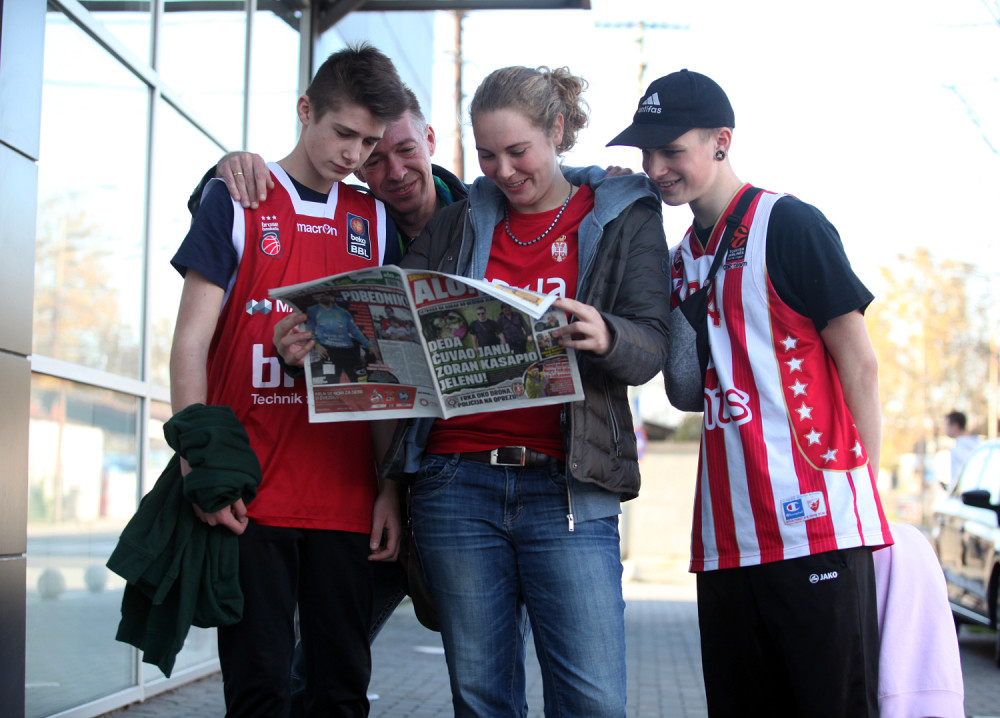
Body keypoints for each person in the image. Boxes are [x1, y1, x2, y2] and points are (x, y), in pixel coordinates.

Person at [374, 65, 670, 717]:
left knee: (592, 700)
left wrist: (607, 333)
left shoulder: (624, 217)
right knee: (481, 698)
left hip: (568, 487)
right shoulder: (455, 226)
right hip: (455, 484)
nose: (503, 171)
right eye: (485, 155)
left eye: (518, 152)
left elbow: (654, 343)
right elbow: (393, 333)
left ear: (557, 130)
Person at [608, 68, 893, 717]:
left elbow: (861, 364)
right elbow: (686, 391)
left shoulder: (789, 224)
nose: (655, 167)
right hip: (725, 542)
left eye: (671, 149)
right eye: (645, 153)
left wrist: (862, 497)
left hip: (816, 532)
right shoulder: (678, 258)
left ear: (720, 141)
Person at [169, 43, 408, 718]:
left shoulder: (375, 221)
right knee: (259, 693)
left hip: (345, 498)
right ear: (306, 111)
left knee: (340, 693)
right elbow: (189, 343)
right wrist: (198, 466)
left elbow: (384, 370)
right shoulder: (236, 198)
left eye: (368, 141)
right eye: (342, 133)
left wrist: (389, 486)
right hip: (253, 498)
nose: (354, 155)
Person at [206, 85, 468, 258]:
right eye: (375, 161)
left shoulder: (485, 215)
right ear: (358, 170)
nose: (397, 172)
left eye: (407, 149)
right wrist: (228, 170)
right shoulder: (349, 226)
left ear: (430, 140)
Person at [306, 293, 379, 383]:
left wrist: (370, 346)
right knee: (330, 382)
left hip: (349, 351)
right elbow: (309, 331)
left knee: (360, 381)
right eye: (319, 295)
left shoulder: (344, 312)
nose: (322, 296)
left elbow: (355, 332)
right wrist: (317, 345)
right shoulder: (312, 311)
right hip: (329, 351)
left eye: (325, 294)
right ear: (315, 297)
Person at [944, 410, 980, 484]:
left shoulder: (959, 449)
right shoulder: (979, 444)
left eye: (946, 425)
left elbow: (958, 479)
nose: (944, 429)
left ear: (955, 426)